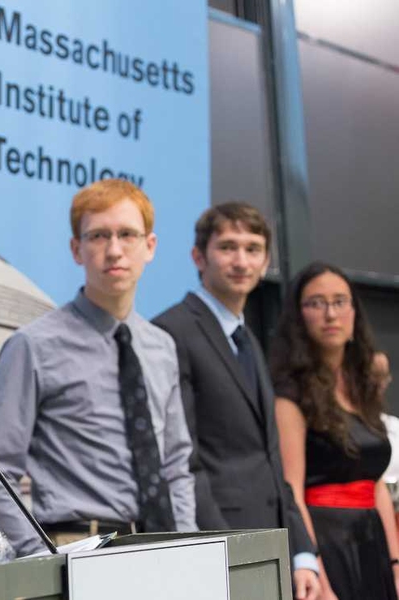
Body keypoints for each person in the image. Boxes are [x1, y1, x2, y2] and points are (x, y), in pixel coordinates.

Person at [0, 178, 196, 556]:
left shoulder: (160, 346)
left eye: (127, 234)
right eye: (98, 236)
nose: (114, 250)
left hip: (159, 549)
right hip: (76, 546)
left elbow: (175, 463)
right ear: (77, 250)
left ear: (150, 246)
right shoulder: (33, 346)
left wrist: (189, 546)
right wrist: (40, 555)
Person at [152, 203, 319, 599]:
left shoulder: (247, 339)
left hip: (271, 547)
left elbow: (270, 458)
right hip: (221, 549)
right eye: (228, 247)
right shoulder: (171, 331)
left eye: (253, 248)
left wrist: (302, 552)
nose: (242, 260)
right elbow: (182, 459)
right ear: (198, 256)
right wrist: (222, 549)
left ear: (266, 262)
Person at [271, 262, 398, 600]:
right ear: (299, 317)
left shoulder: (364, 385)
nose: (330, 313)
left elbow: (377, 484)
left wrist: (397, 564)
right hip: (327, 542)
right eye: (316, 303)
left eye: (340, 301)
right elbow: (291, 491)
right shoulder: (290, 392)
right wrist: (317, 573)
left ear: (354, 313)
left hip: (373, 541)